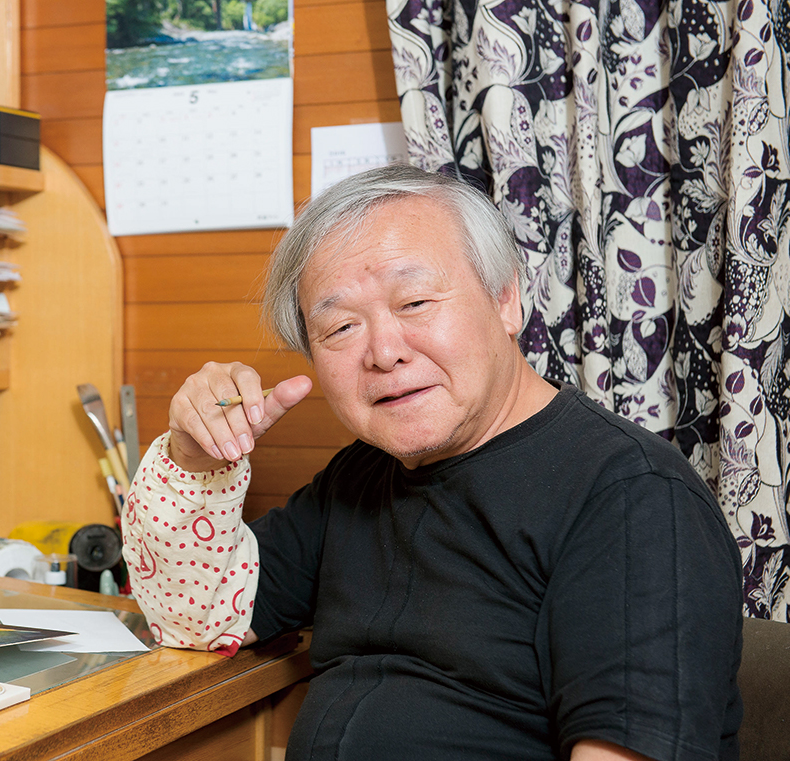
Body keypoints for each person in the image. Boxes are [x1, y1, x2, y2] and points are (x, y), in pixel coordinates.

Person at [121, 164, 743, 761]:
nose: (383, 351)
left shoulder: (633, 496)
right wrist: (193, 459)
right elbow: (198, 615)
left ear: (506, 300)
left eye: (415, 301)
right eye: (340, 328)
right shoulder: (359, 478)